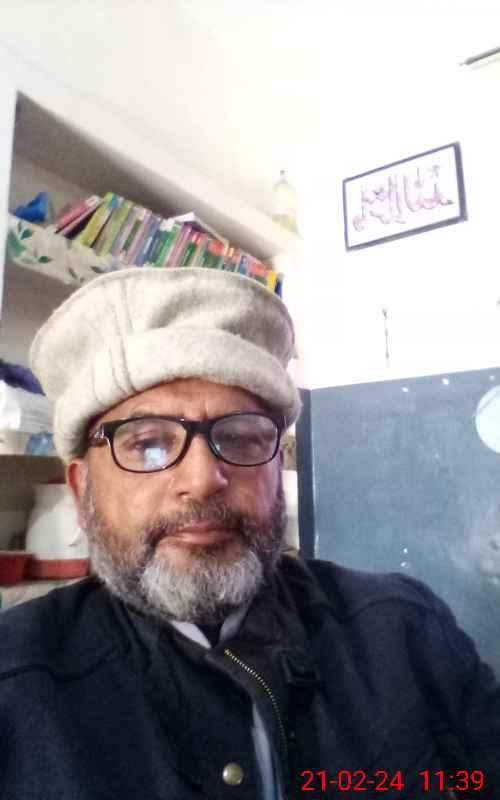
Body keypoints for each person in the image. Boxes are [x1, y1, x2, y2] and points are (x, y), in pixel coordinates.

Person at [0, 267, 499, 800]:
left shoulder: (406, 629)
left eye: (240, 438)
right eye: (147, 444)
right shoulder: (15, 682)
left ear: (275, 469)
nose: (202, 479)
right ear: (82, 491)